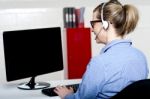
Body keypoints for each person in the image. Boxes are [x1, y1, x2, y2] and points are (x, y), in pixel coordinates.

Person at [54, 0, 149, 99]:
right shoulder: (140, 57)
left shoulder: (100, 63)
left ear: (105, 24)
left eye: (93, 23)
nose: (91, 29)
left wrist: (67, 95)